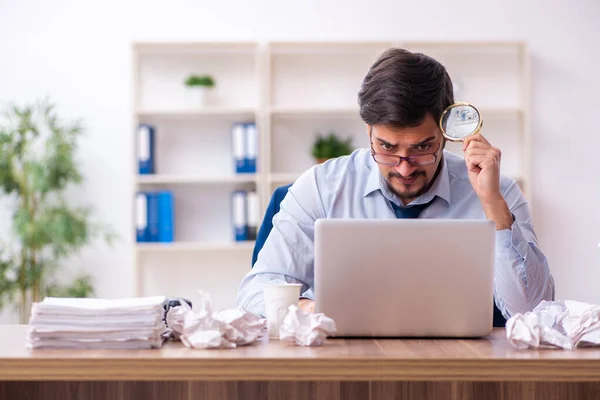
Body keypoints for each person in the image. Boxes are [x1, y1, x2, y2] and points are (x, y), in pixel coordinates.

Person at [237, 48, 555, 319]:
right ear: (368, 131)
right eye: (387, 148)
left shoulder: (497, 192)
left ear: (447, 133)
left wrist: (494, 207)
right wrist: (314, 310)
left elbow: (534, 312)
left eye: (422, 148)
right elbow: (255, 294)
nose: (404, 169)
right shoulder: (322, 186)